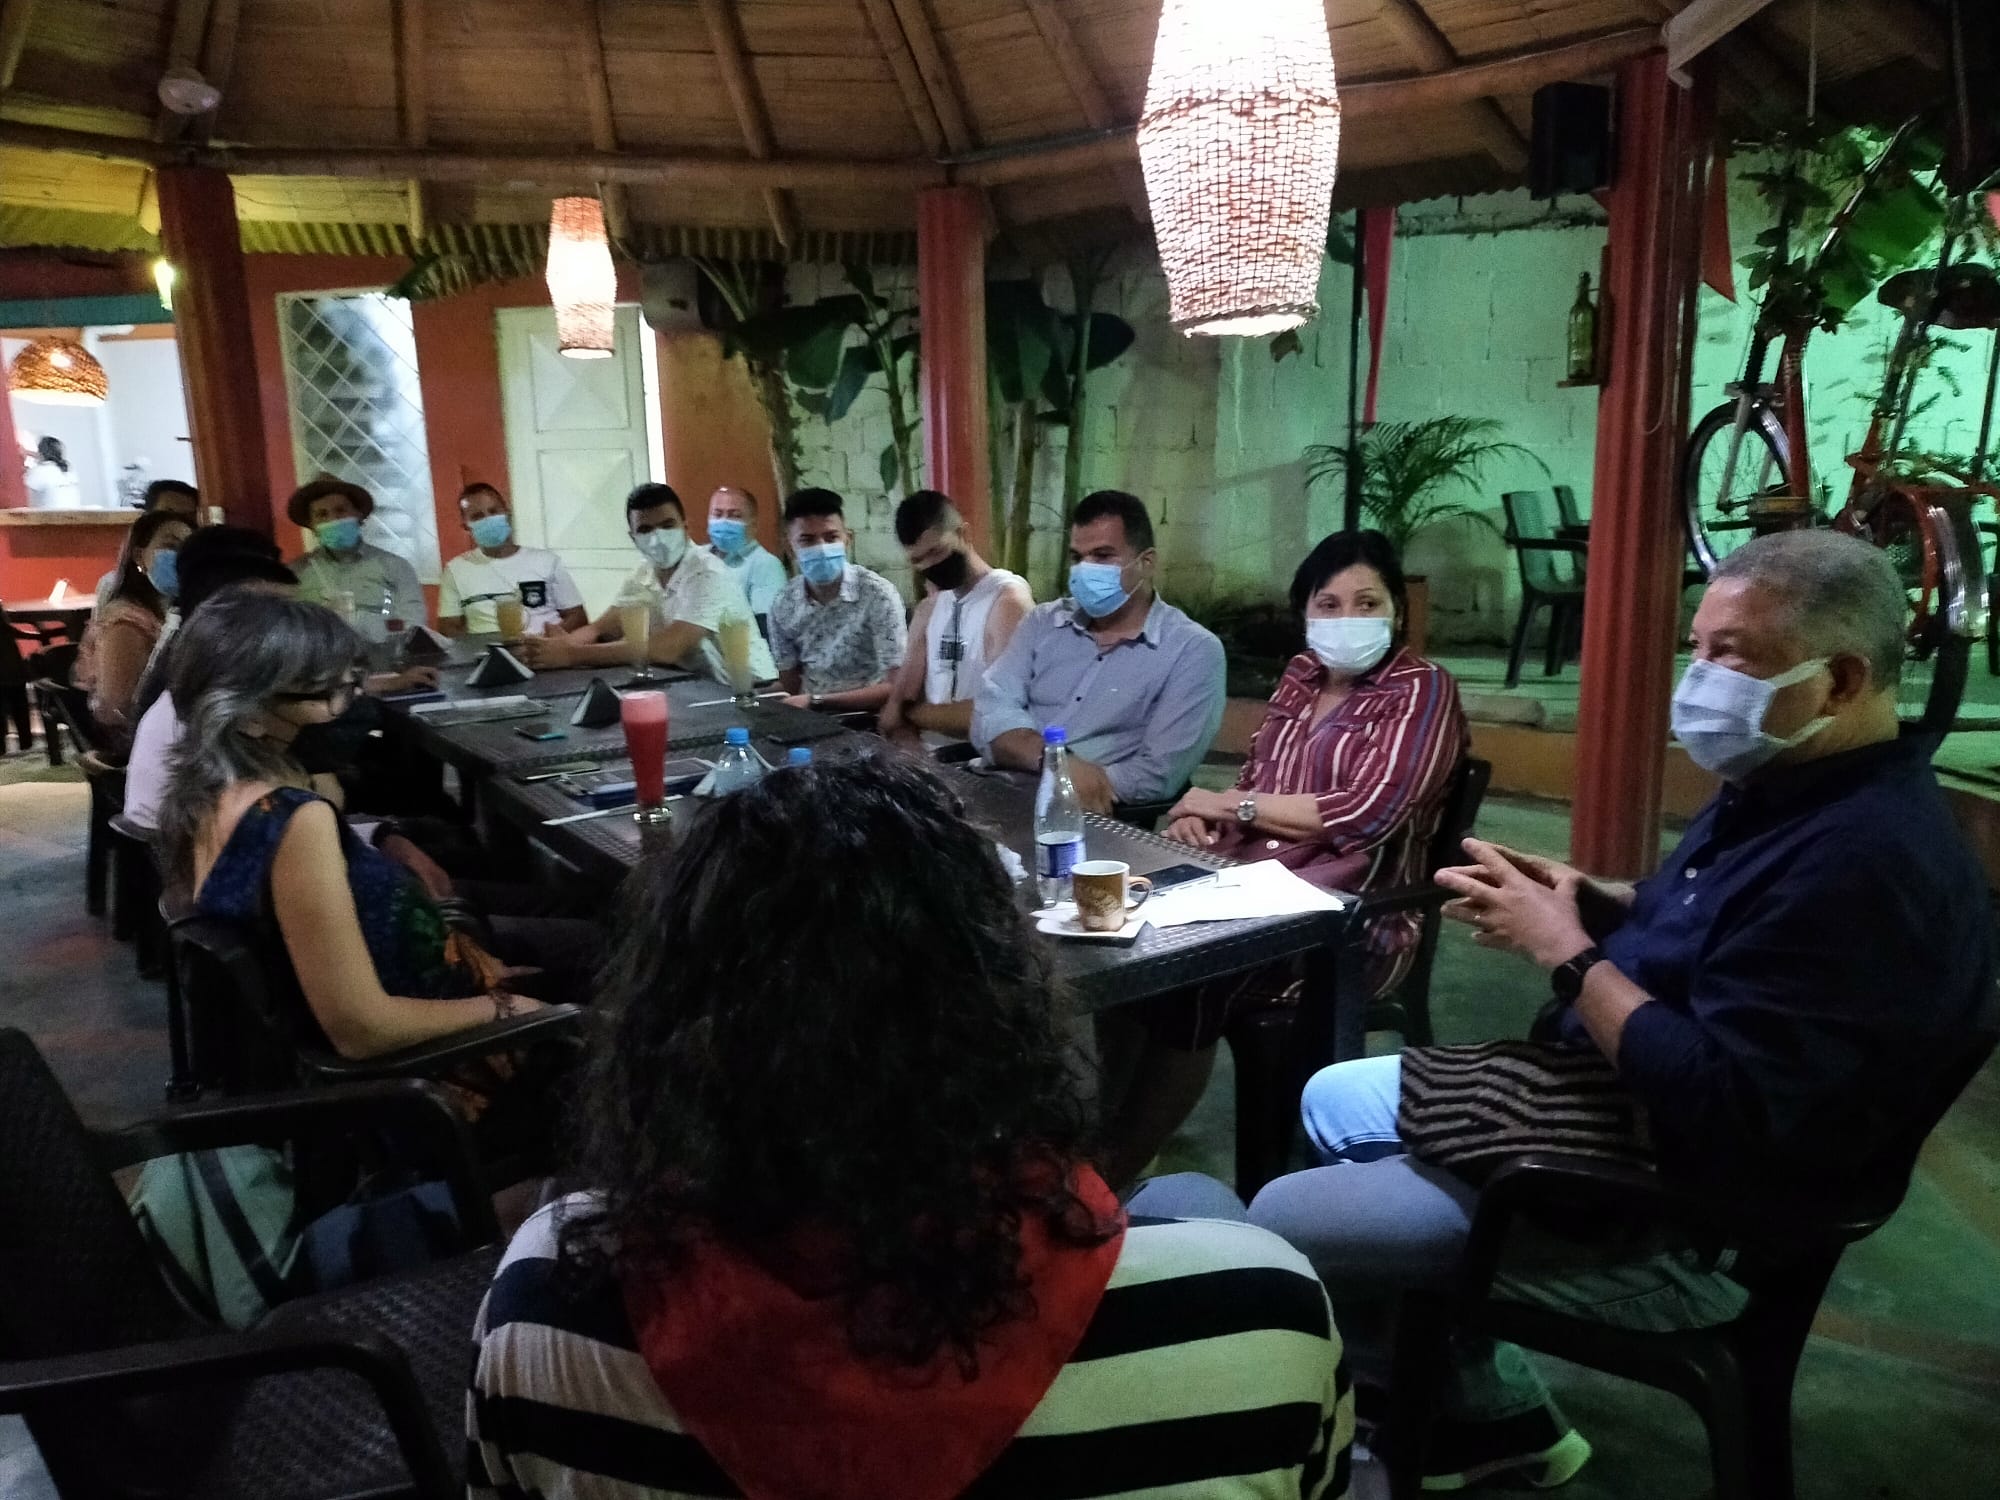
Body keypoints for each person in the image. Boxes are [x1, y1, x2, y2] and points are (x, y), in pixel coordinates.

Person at [1248, 531, 1996, 1490]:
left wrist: (1565, 951)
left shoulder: (1865, 864)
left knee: (1287, 1214)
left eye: (1731, 655)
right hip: (1623, 1107)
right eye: (1697, 646)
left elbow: (1722, 1100)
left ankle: (1428, 1389)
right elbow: (1712, 916)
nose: (1698, 679)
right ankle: (1475, 1404)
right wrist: (1597, 897)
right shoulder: (1796, 784)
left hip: (1688, 1218)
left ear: (1842, 679)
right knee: (1330, 1095)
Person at [467, 754, 1354, 1500]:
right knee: (1193, 1196)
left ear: (667, 1025)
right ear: (1010, 1001)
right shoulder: (1260, 1314)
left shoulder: (551, 1304)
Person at [1094, 531, 1469, 1188]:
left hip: (1348, 922)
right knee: (1121, 944)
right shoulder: (1301, 676)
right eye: (1328, 604)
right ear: (1305, 613)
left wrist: (1231, 807)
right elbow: (1256, 779)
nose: (1347, 619)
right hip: (1246, 888)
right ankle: (1104, 1140)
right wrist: (1203, 817)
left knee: (1190, 973)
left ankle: (1111, 1173)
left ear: (1397, 611)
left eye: (1367, 603)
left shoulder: (1422, 690)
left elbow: (1365, 815)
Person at [157, 592, 601, 1089]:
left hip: (444, 997)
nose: (349, 708)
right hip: (443, 1074)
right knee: (622, 957)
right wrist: (508, 1007)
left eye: (349, 686)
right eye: (326, 695)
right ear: (246, 715)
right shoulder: (292, 821)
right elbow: (362, 1029)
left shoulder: (212, 793)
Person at [973, 490, 1224, 813]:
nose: (1084, 570)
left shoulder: (1191, 651)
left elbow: (1159, 773)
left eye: (1103, 556)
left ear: (1146, 563)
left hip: (1091, 816)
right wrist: (1056, 764)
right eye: (1077, 558)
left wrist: (1074, 787)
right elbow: (990, 710)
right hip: (996, 791)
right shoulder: (1043, 623)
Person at [520, 483, 773, 683]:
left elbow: (667, 648)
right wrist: (551, 648)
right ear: (633, 538)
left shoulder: (708, 573)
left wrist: (571, 654)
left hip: (754, 692)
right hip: (696, 687)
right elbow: (600, 628)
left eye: (667, 525)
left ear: (685, 527)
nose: (657, 537)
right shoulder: (643, 572)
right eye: (645, 530)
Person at [878, 488, 1033, 746]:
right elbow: (897, 705)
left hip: (984, 756)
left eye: (936, 552)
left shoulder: (1007, 602)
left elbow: (995, 712)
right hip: (929, 753)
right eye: (918, 559)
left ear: (964, 534)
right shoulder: (930, 607)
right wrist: (904, 721)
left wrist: (912, 714)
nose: (929, 565)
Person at [767, 487, 908, 714]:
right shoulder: (783, 603)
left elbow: (896, 686)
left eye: (831, 537)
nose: (821, 548)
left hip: (869, 716)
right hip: (811, 717)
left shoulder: (877, 594)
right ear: (789, 548)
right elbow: (789, 683)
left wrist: (818, 701)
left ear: (847, 539)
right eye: (807, 540)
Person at [73, 508, 192, 753]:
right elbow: (116, 708)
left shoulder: (175, 610)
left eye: (188, 549)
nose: (180, 556)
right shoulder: (126, 620)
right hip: (133, 741)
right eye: (170, 546)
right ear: (139, 556)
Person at [284, 476, 426, 645]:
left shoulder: (395, 566)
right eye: (322, 515)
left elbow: (412, 624)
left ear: (359, 515)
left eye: (341, 510)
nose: (333, 519)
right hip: (321, 659)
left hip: (382, 658)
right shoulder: (295, 572)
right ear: (311, 525)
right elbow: (287, 628)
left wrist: (364, 623)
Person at [436, 482, 588, 638]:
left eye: (493, 511)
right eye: (477, 516)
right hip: (489, 650)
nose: (488, 519)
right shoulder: (456, 570)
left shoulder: (547, 561)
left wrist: (547, 640)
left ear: (507, 513)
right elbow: (448, 628)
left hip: (546, 646)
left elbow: (578, 617)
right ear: (466, 526)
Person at [97, 479, 200, 608]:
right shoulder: (112, 588)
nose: (178, 523)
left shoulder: (203, 584)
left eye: (188, 518)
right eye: (167, 514)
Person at [705, 484, 788, 631]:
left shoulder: (766, 565)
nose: (724, 521)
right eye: (717, 514)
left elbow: (765, 628)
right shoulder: (697, 557)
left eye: (735, 515)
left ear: (754, 524)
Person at [23, 436, 83, 510]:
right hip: (74, 514)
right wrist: (28, 452)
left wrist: (25, 473)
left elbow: (21, 492)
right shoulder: (68, 469)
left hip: (50, 515)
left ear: (41, 452)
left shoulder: (40, 471)